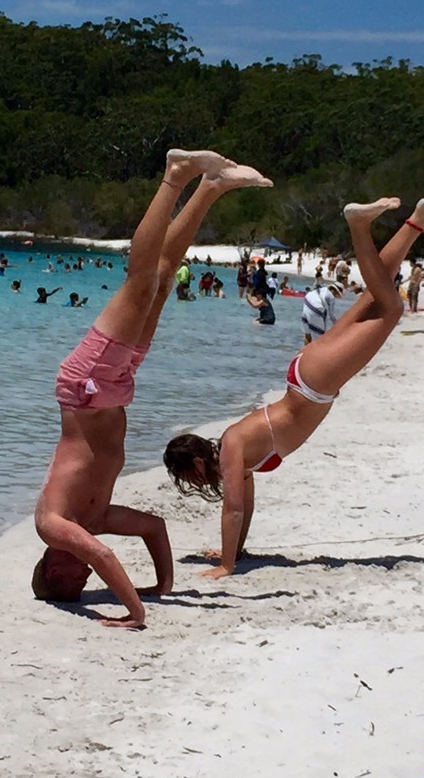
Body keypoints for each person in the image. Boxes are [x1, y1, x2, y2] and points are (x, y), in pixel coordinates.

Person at [33, 149, 273, 628]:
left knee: (141, 281)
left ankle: (175, 175)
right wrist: (163, 586)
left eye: (72, 584)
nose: (83, 582)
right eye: (83, 587)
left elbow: (100, 556)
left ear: (53, 564)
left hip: (86, 388)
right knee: (161, 283)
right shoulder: (95, 517)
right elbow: (153, 528)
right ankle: (211, 187)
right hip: (113, 390)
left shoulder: (53, 525)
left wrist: (135, 612)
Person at [163, 196, 424, 579]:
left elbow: (232, 509)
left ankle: (358, 226)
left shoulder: (232, 449)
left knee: (390, 308)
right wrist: (234, 550)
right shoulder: (235, 451)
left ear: (198, 462)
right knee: (373, 298)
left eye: (190, 477)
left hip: (314, 385)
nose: (195, 483)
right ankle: (417, 222)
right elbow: (245, 509)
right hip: (308, 376)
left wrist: (225, 566)